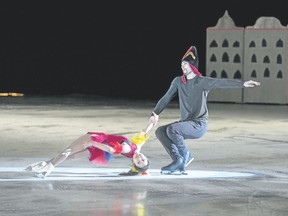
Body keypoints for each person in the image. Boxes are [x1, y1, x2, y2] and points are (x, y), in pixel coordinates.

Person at [148, 45, 261, 175]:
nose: (183, 67)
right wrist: (155, 113)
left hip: (198, 125)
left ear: (193, 66)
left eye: (186, 64)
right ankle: (178, 160)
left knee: (172, 129)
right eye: (182, 64)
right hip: (186, 123)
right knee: (160, 131)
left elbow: (220, 83)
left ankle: (185, 156)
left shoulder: (202, 82)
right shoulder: (178, 81)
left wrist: (242, 84)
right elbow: (167, 97)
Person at [24, 131, 150, 178]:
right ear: (145, 157)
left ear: (133, 163)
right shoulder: (137, 148)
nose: (139, 158)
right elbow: (144, 134)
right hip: (99, 146)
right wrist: (152, 121)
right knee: (70, 156)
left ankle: (48, 168)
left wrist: (92, 142)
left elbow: (111, 151)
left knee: (68, 151)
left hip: (98, 141)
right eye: (143, 159)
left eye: (138, 162)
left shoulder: (127, 149)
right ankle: (43, 165)